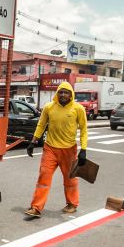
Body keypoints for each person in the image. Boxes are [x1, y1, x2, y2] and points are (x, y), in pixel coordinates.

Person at [25, 82, 88, 218]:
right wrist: (33, 141)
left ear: (71, 94)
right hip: (50, 149)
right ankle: (36, 207)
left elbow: (83, 130)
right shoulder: (49, 107)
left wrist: (83, 149)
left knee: (70, 179)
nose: (63, 95)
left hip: (69, 150)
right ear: (57, 93)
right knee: (43, 177)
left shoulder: (78, 109)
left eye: (66, 92)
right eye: (61, 92)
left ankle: (72, 204)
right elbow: (41, 124)